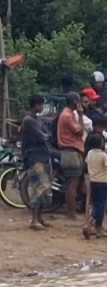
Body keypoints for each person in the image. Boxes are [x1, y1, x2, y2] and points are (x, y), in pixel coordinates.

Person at [21, 94, 53, 230]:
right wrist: (45, 136)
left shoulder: (37, 120)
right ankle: (34, 219)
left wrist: (46, 136)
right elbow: (43, 136)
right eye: (41, 105)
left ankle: (39, 217)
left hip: (43, 156)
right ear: (36, 105)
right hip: (35, 157)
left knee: (44, 188)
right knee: (37, 188)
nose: (42, 107)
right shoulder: (29, 121)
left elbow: (47, 135)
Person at [83, 133, 107, 239]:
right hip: (102, 182)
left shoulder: (89, 153)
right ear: (101, 143)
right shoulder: (103, 155)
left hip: (92, 181)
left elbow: (86, 164)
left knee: (95, 204)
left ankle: (98, 229)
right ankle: (88, 224)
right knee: (100, 207)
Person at [58, 92, 86, 219]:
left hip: (70, 151)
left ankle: (71, 212)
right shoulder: (68, 115)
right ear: (75, 102)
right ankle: (71, 213)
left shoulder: (66, 114)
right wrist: (81, 115)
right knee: (72, 184)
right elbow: (80, 131)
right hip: (71, 151)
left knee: (72, 184)